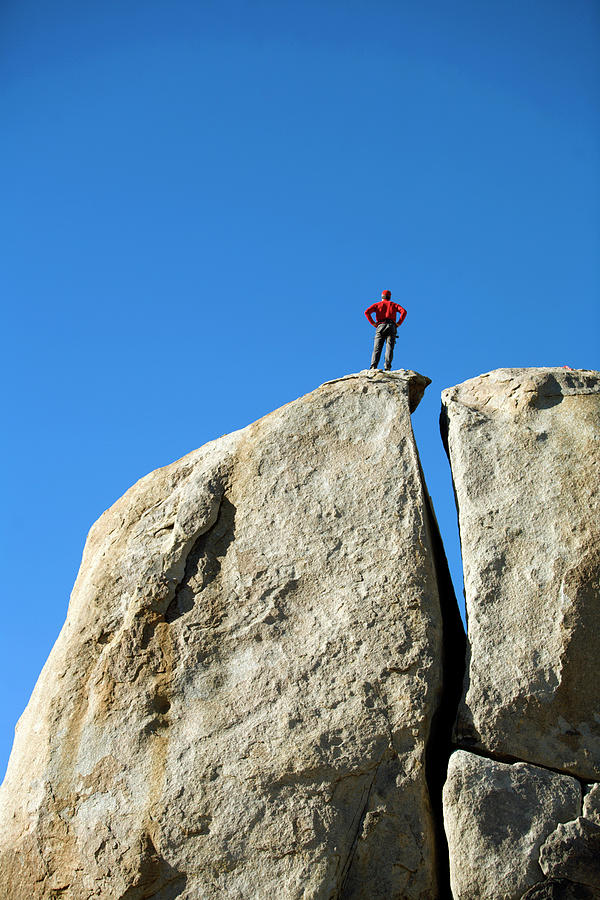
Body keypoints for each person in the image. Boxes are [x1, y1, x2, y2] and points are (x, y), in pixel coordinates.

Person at [364, 290, 407, 371]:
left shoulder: (377, 305)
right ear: (389, 297)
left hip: (380, 326)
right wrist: (399, 323)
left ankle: (373, 367)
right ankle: (387, 367)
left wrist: (373, 323)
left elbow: (367, 312)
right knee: (389, 347)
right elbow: (404, 311)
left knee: (377, 348)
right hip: (391, 326)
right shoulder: (393, 304)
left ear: (382, 297)